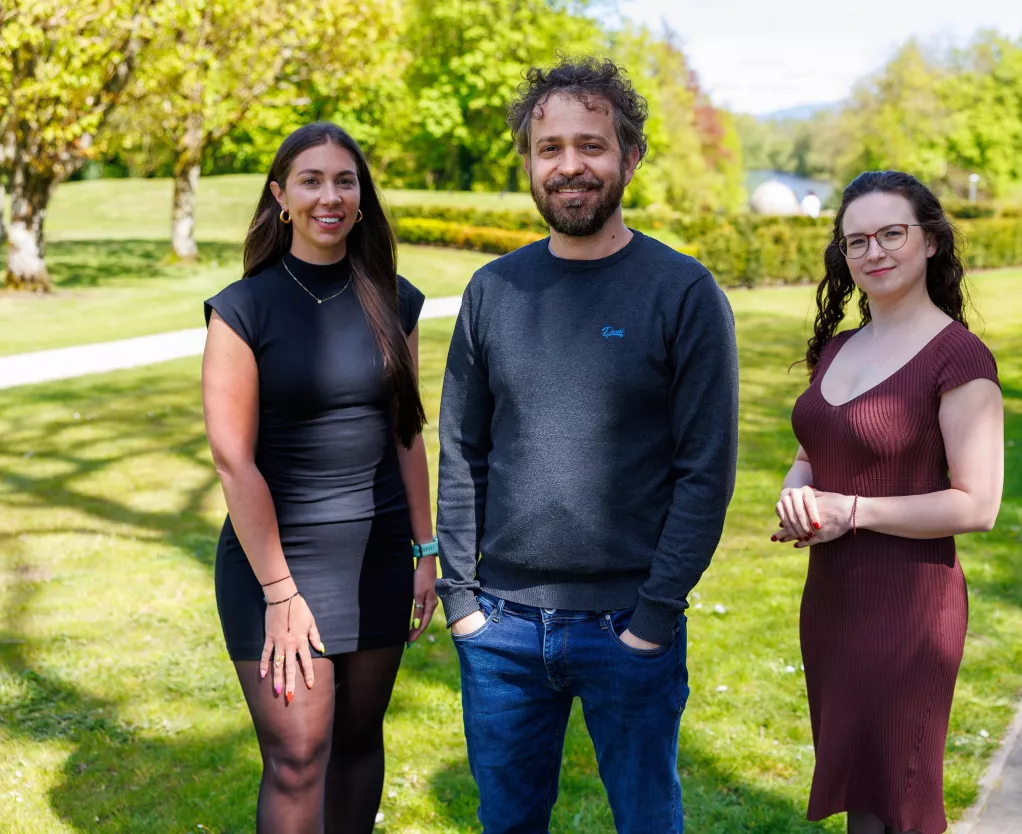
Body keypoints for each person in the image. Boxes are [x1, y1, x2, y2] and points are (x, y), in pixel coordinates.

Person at [435, 57, 739, 833]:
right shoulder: (492, 291)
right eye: (550, 149)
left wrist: (654, 615)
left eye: (592, 145)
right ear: (530, 164)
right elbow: (462, 454)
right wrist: (462, 604)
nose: (570, 165)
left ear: (629, 157)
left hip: (627, 627)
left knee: (647, 821)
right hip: (498, 628)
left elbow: (704, 471)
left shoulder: (682, 292)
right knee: (507, 824)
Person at [201, 122, 439, 833]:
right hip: (274, 564)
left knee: (361, 743)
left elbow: (406, 433)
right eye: (311, 180)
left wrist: (425, 551)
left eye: (345, 180)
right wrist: (280, 593)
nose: (329, 196)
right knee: (300, 756)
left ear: (361, 197)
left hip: (376, 557)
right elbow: (231, 459)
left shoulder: (397, 302)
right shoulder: (241, 311)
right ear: (280, 197)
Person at [773, 171, 1004, 834]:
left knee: (899, 799)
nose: (873, 252)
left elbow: (978, 504)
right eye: (855, 242)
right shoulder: (840, 348)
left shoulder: (958, 358)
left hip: (909, 608)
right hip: (832, 603)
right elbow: (812, 450)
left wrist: (853, 511)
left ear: (930, 240)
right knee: (860, 794)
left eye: (890, 234)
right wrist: (797, 497)